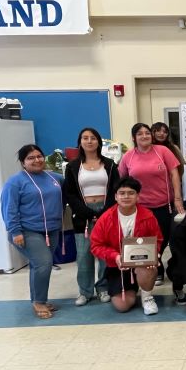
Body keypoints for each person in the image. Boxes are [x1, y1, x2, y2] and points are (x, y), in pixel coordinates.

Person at [1, 144, 64, 319]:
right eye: (30, 158)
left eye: (39, 156)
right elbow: (9, 208)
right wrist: (15, 231)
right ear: (23, 163)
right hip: (26, 231)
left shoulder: (54, 178)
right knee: (44, 263)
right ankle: (39, 302)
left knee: (39, 266)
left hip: (51, 230)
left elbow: (74, 184)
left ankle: (37, 299)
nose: (36, 160)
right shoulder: (15, 182)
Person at [118, 123, 185, 286]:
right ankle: (152, 272)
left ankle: (157, 266)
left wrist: (177, 199)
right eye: (139, 134)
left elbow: (175, 174)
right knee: (144, 241)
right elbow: (122, 180)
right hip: (140, 208)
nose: (144, 136)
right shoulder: (128, 156)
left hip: (164, 205)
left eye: (147, 133)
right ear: (134, 138)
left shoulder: (163, 151)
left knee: (162, 240)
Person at [63, 128, 120, 306]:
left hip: (106, 211)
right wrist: (87, 211)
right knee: (83, 255)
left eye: (93, 138)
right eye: (85, 138)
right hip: (83, 214)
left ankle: (103, 288)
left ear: (98, 142)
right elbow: (70, 194)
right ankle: (85, 292)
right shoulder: (72, 167)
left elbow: (115, 190)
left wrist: (104, 211)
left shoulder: (110, 165)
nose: (89, 141)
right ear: (80, 142)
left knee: (105, 254)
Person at [90, 177, 162, 315]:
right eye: (122, 193)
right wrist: (115, 256)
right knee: (123, 306)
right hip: (117, 265)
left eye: (131, 193)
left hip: (141, 261)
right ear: (116, 196)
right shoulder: (106, 218)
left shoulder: (148, 216)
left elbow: (158, 239)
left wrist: (154, 254)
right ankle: (132, 287)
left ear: (138, 196)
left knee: (149, 266)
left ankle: (147, 298)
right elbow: (96, 245)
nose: (126, 196)